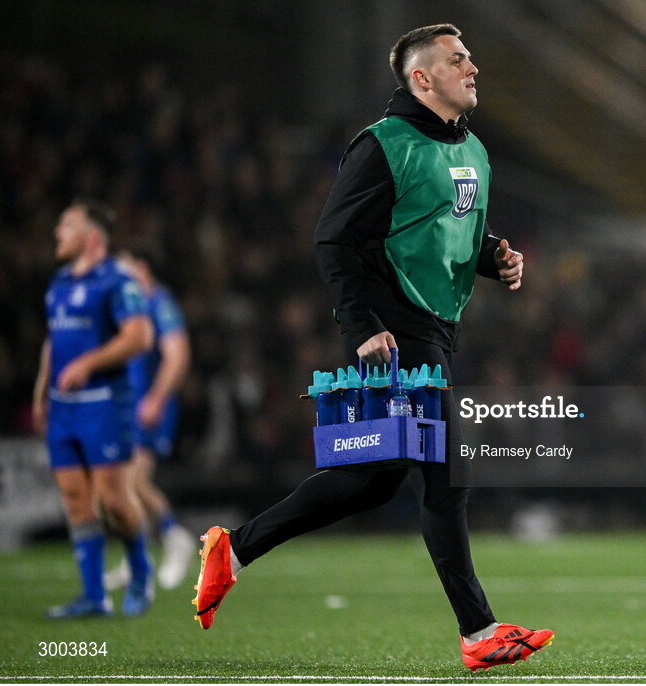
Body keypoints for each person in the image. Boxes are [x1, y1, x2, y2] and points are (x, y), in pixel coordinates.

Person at [192, 24, 553, 671]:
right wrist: (360, 325)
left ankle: (235, 548)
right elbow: (334, 239)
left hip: (436, 328)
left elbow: (451, 232)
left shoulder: (474, 150)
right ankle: (479, 633)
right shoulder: (384, 146)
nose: (472, 66)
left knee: (371, 482)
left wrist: (495, 257)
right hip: (397, 331)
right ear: (422, 79)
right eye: (457, 59)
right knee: (447, 475)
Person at [32, 200, 155, 618]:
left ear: (93, 237)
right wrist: (40, 390)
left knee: (113, 500)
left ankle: (140, 572)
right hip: (63, 407)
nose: (57, 233)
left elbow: (139, 337)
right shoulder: (59, 283)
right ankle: (93, 596)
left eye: (66, 225)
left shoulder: (117, 282)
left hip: (104, 403)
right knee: (75, 499)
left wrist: (87, 364)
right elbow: (54, 342)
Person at [103, 249, 195, 591]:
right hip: (127, 405)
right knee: (120, 486)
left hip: (149, 406)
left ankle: (173, 537)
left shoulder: (160, 303)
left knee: (132, 482)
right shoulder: (132, 306)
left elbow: (177, 353)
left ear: (142, 267)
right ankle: (135, 557)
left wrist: (157, 398)